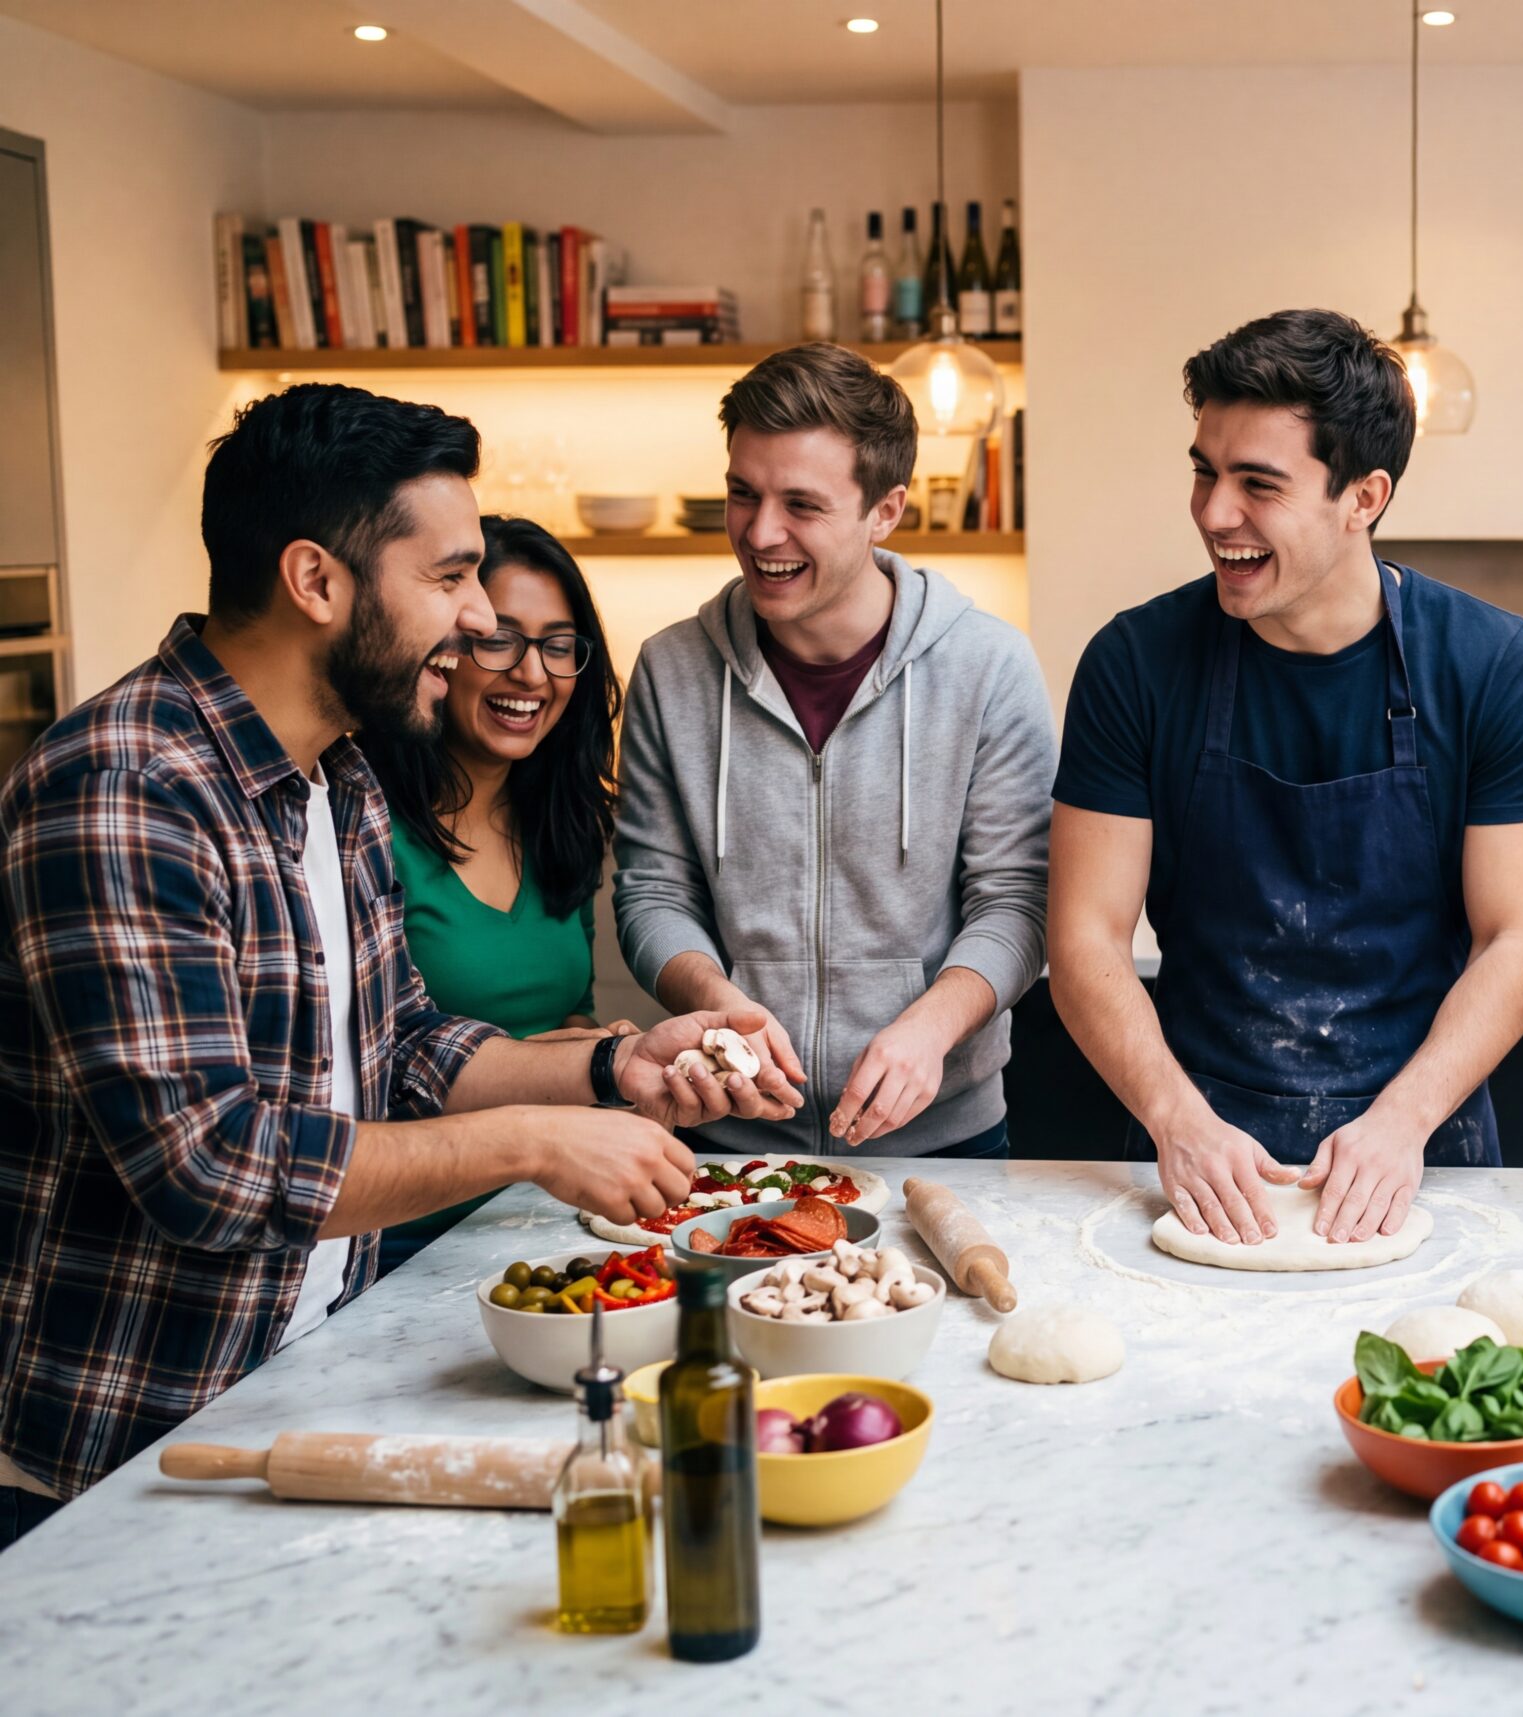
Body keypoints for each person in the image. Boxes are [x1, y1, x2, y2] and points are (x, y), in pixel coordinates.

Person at [0, 385, 794, 1545]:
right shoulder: (128, 789)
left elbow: (406, 1045)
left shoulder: (341, 777)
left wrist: (616, 1065)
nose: (477, 621)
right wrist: (532, 1142)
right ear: (316, 581)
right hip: (126, 1448)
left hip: (300, 1378)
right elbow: (210, 1167)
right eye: (449, 577)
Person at [1049, 309, 1523, 1248]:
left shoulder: (1489, 662)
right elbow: (1085, 935)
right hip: (1201, 1156)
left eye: (1259, 484)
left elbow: (1516, 941)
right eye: (1205, 470)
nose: (1214, 513)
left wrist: (1402, 1122)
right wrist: (1176, 1119)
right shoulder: (1135, 662)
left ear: (1363, 496)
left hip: (1423, 1151)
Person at [613, 343, 1054, 1160]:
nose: (760, 531)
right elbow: (651, 891)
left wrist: (931, 1026)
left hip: (944, 1139)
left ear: (886, 510)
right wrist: (719, 1006)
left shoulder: (988, 667)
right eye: (742, 493)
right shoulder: (671, 669)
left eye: (801, 504)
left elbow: (1019, 902)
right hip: (725, 1135)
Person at [359, 516, 632, 1271]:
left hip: (555, 1219)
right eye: (499, 639)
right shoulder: (367, 823)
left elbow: (557, 1011)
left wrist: (599, 1046)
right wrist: (572, 1062)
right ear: (446, 646)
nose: (532, 675)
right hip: (407, 1237)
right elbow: (362, 1072)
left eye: (557, 645)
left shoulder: (563, 820)